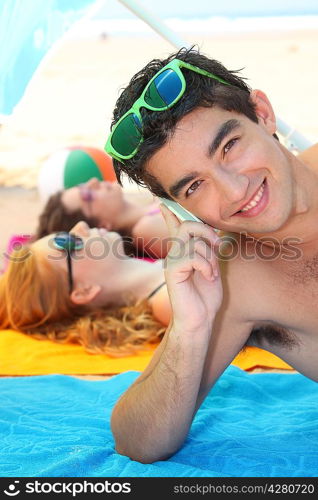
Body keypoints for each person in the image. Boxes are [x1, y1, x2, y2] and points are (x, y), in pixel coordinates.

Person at [104, 46, 318, 463]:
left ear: (263, 114)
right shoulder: (235, 285)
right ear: (179, 209)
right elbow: (138, 441)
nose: (234, 190)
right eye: (194, 187)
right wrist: (191, 328)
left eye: (230, 146)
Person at [0, 221, 171, 357]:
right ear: (84, 291)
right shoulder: (167, 302)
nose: (81, 226)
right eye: (67, 241)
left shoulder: (163, 272)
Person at [35, 178, 170, 258]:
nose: (94, 181)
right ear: (102, 226)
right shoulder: (146, 229)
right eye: (88, 195)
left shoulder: (153, 203)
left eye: (83, 185)